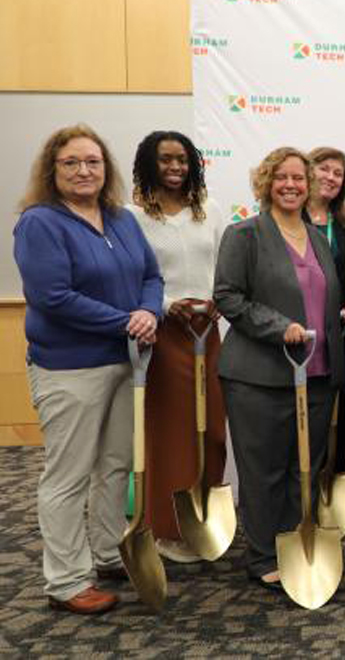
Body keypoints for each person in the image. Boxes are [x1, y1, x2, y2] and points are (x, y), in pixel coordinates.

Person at [14, 124, 162, 614]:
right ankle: (66, 582)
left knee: (115, 466)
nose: (84, 171)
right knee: (68, 475)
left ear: (106, 169)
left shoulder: (121, 218)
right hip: (70, 369)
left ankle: (105, 552)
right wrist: (127, 321)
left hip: (126, 362)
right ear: (52, 170)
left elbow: (151, 275)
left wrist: (149, 312)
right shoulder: (40, 223)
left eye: (93, 162)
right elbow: (51, 297)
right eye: (72, 162)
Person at [214, 147, 345, 589]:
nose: (291, 185)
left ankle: (294, 542)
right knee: (264, 469)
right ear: (266, 183)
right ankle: (262, 555)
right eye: (281, 178)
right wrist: (278, 327)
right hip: (259, 375)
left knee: (302, 467)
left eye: (299, 178)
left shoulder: (316, 237)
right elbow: (228, 297)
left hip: (318, 373)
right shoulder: (244, 234)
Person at [126, 130, 228, 563]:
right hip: (165, 333)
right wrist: (170, 306)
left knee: (213, 428)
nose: (175, 167)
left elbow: (225, 267)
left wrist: (218, 301)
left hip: (208, 330)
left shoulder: (209, 211)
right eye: (165, 159)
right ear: (149, 163)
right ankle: (166, 527)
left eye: (182, 160)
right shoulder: (132, 217)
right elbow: (133, 278)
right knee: (171, 431)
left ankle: (203, 521)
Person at [306, 147, 345, 476]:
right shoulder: (287, 219)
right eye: (323, 169)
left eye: (338, 173)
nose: (330, 177)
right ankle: (301, 492)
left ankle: (333, 479)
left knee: (343, 414)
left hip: (343, 333)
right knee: (305, 414)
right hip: (303, 335)